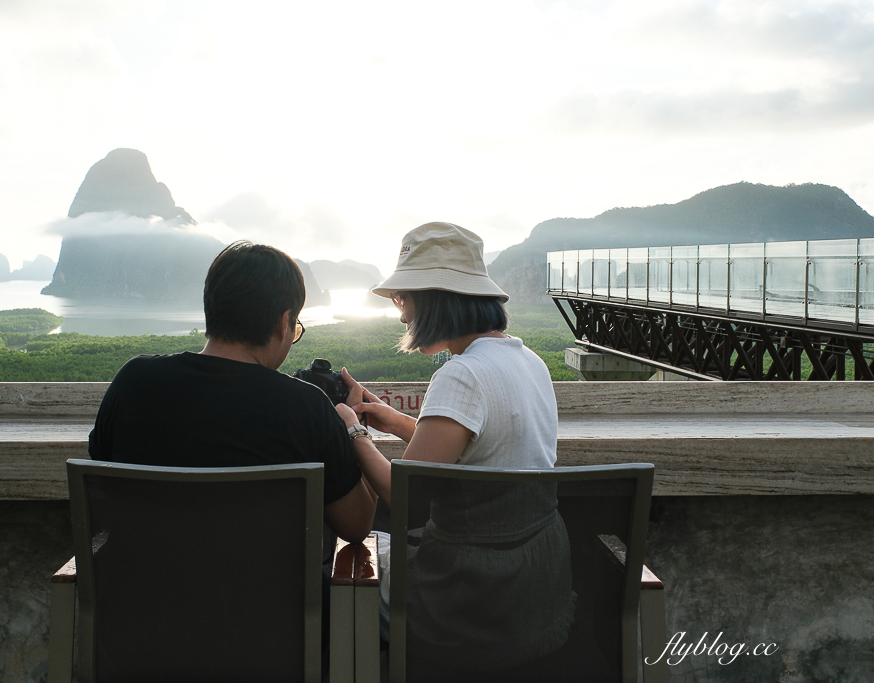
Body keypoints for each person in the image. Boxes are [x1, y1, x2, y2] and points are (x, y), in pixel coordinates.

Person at [334, 222, 576, 679]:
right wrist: (394, 420)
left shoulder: (462, 374)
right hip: (536, 593)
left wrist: (352, 430)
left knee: (352, 566)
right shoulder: (530, 361)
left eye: (403, 299)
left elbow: (404, 495)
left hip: (468, 600)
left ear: (434, 299)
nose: (401, 315)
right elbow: (477, 450)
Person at [89, 240, 376, 547]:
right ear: (284, 324)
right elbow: (357, 525)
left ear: (211, 310)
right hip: (264, 581)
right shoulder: (307, 407)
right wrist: (355, 430)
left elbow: (102, 482)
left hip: (139, 578)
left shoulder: (133, 381)